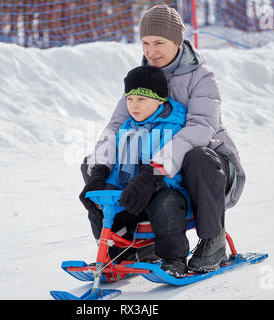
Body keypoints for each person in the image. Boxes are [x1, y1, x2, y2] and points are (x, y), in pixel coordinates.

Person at [81, 5, 245, 273]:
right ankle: (130, 243)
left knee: (197, 156)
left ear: (178, 42)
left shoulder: (201, 78)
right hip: (154, 168)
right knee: (97, 161)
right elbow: (115, 128)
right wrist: (97, 171)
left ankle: (212, 239)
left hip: (208, 166)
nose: (151, 51)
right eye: (145, 43)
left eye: (159, 42)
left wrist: (153, 170)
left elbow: (200, 129)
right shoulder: (140, 80)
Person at [80, 65, 192, 277]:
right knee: (102, 206)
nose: (134, 106)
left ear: (160, 100)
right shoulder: (127, 129)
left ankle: (174, 259)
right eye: (130, 100)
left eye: (141, 100)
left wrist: (149, 182)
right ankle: (117, 255)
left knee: (164, 203)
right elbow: (121, 170)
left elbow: (174, 168)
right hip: (135, 194)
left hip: (168, 191)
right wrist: (105, 190)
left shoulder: (173, 126)